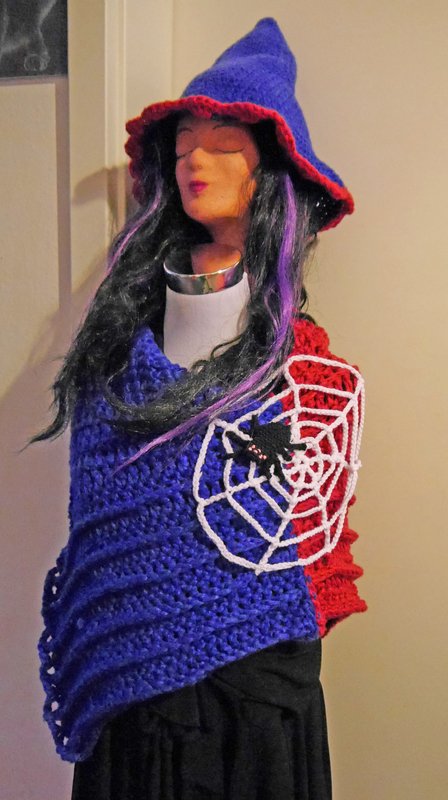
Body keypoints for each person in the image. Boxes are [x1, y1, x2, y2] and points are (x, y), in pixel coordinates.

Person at [32, 17, 367, 799]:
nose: (193, 159)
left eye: (221, 141)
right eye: (183, 144)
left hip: (258, 721)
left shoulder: (310, 383)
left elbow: (303, 550)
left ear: (271, 171)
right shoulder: (109, 373)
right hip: (134, 724)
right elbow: (99, 559)